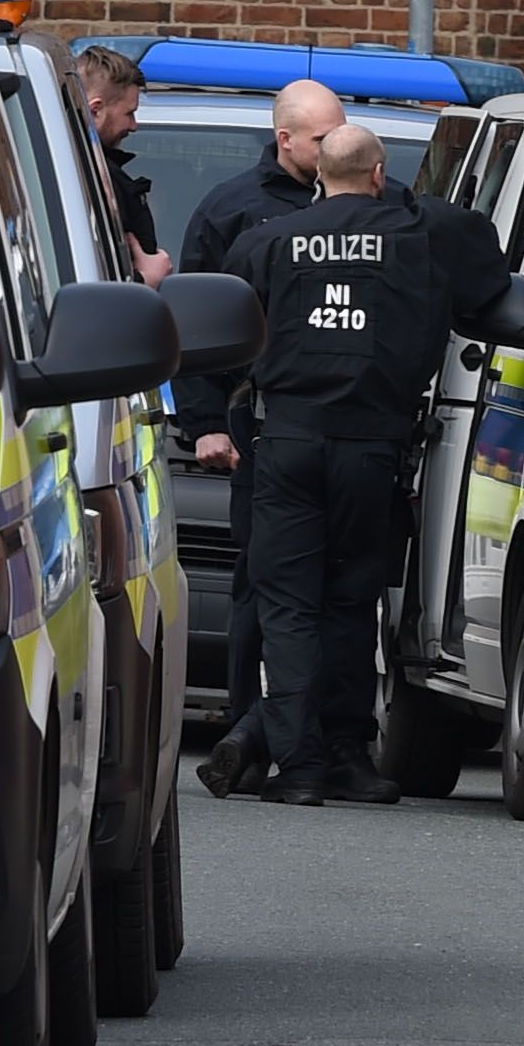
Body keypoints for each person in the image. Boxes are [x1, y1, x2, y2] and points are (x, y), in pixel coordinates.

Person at [223, 121, 521, 805]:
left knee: (289, 606)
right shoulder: (429, 235)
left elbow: (224, 333)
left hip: (289, 442)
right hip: (374, 448)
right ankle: (348, 755)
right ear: (382, 175)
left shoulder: (267, 240)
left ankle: (298, 769)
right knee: (353, 602)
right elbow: (491, 288)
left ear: (318, 175)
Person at [175, 77, 345, 795]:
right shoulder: (234, 211)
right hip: (257, 422)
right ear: (284, 139)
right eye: (319, 138)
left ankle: (325, 740)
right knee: (260, 585)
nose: (333, 146)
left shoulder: (366, 209)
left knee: (336, 594)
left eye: (340, 135)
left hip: (343, 432)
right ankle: (245, 731)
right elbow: (195, 325)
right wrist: (207, 422)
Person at [76, 44, 172, 286]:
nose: (134, 126)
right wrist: (146, 280)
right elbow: (102, 280)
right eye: (129, 113)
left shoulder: (77, 166)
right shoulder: (95, 177)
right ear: (96, 110)